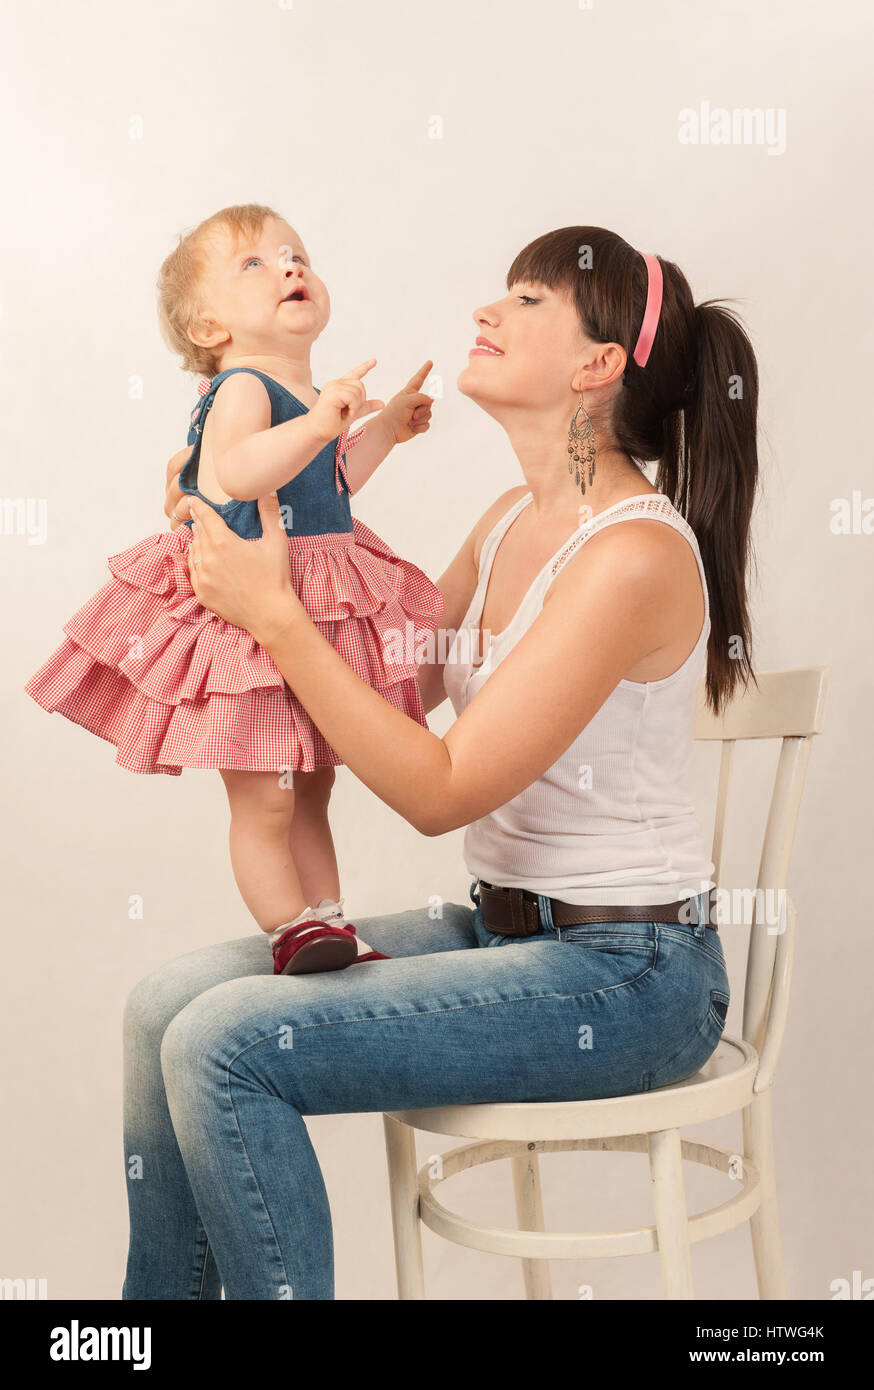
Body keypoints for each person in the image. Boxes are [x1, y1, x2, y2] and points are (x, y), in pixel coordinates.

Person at [122, 225, 758, 1299]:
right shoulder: (511, 518)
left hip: (632, 975)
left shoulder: (631, 555)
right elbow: (384, 703)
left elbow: (438, 785)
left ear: (596, 366)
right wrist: (225, 570)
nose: (486, 313)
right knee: (160, 1007)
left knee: (225, 1043)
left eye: (523, 301)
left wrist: (277, 618)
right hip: (498, 928)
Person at [24, 203, 443, 974]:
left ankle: (329, 924)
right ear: (211, 329)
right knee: (266, 795)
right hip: (247, 613)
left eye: (296, 254)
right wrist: (321, 422)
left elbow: (334, 484)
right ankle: (288, 927)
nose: (290, 267)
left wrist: (382, 430)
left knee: (313, 787)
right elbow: (238, 473)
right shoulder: (244, 387)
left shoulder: (304, 396)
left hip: (305, 605)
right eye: (255, 263)